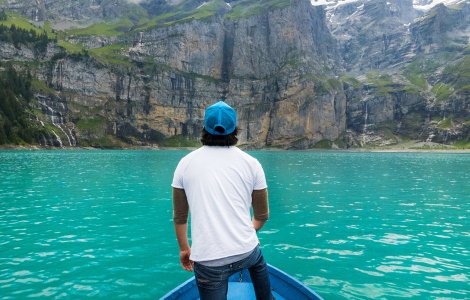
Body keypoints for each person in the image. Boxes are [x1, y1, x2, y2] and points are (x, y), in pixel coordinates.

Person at [171, 100, 273, 299]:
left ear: (204, 128)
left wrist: (185, 249)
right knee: (263, 284)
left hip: (209, 261)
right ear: (234, 129)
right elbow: (262, 216)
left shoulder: (184, 165)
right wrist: (241, 232)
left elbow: (180, 217)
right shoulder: (252, 164)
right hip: (247, 252)